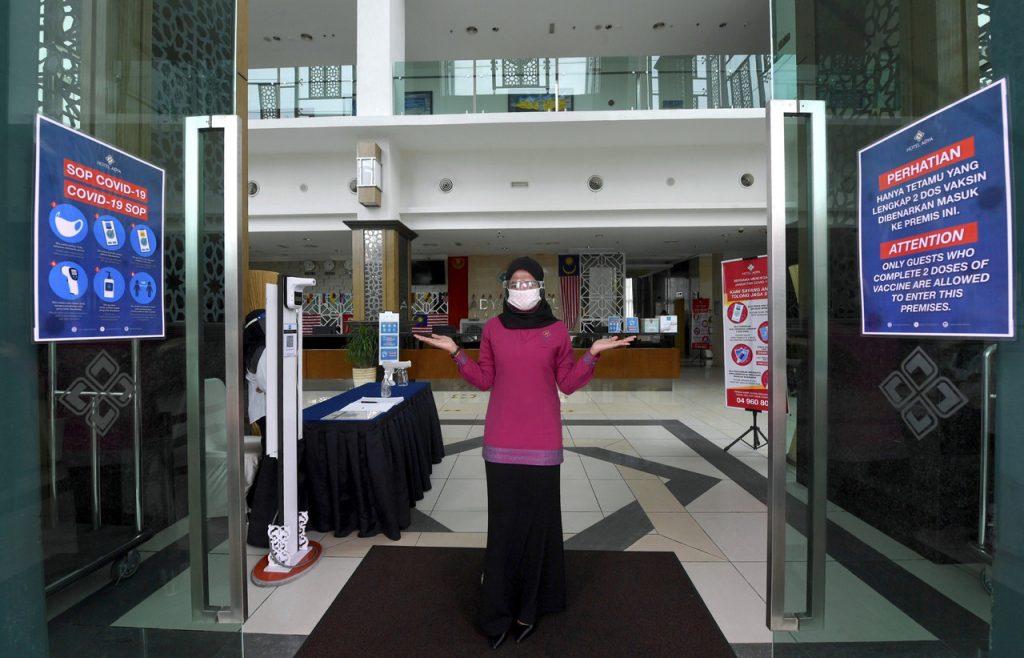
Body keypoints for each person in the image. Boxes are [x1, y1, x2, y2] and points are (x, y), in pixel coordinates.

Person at [415, 256, 634, 649]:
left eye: (527, 282)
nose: (521, 289)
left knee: (538, 530)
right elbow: (484, 379)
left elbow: (567, 382)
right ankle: (496, 612)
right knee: (502, 530)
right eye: (514, 283)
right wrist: (454, 352)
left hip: (543, 445)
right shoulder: (494, 329)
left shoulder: (557, 331)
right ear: (506, 290)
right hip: (500, 444)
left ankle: (529, 609)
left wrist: (593, 353)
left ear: (540, 286)